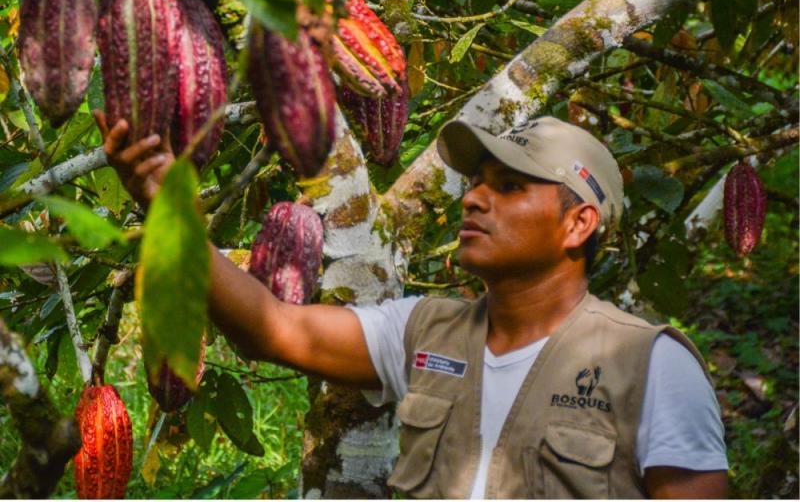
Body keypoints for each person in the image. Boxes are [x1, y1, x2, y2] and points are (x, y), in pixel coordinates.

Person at [94, 110, 729, 499]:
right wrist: (166, 204)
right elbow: (273, 329)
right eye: (476, 184)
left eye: (508, 188)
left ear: (577, 225)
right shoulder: (426, 330)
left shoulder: (649, 367)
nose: (475, 200)